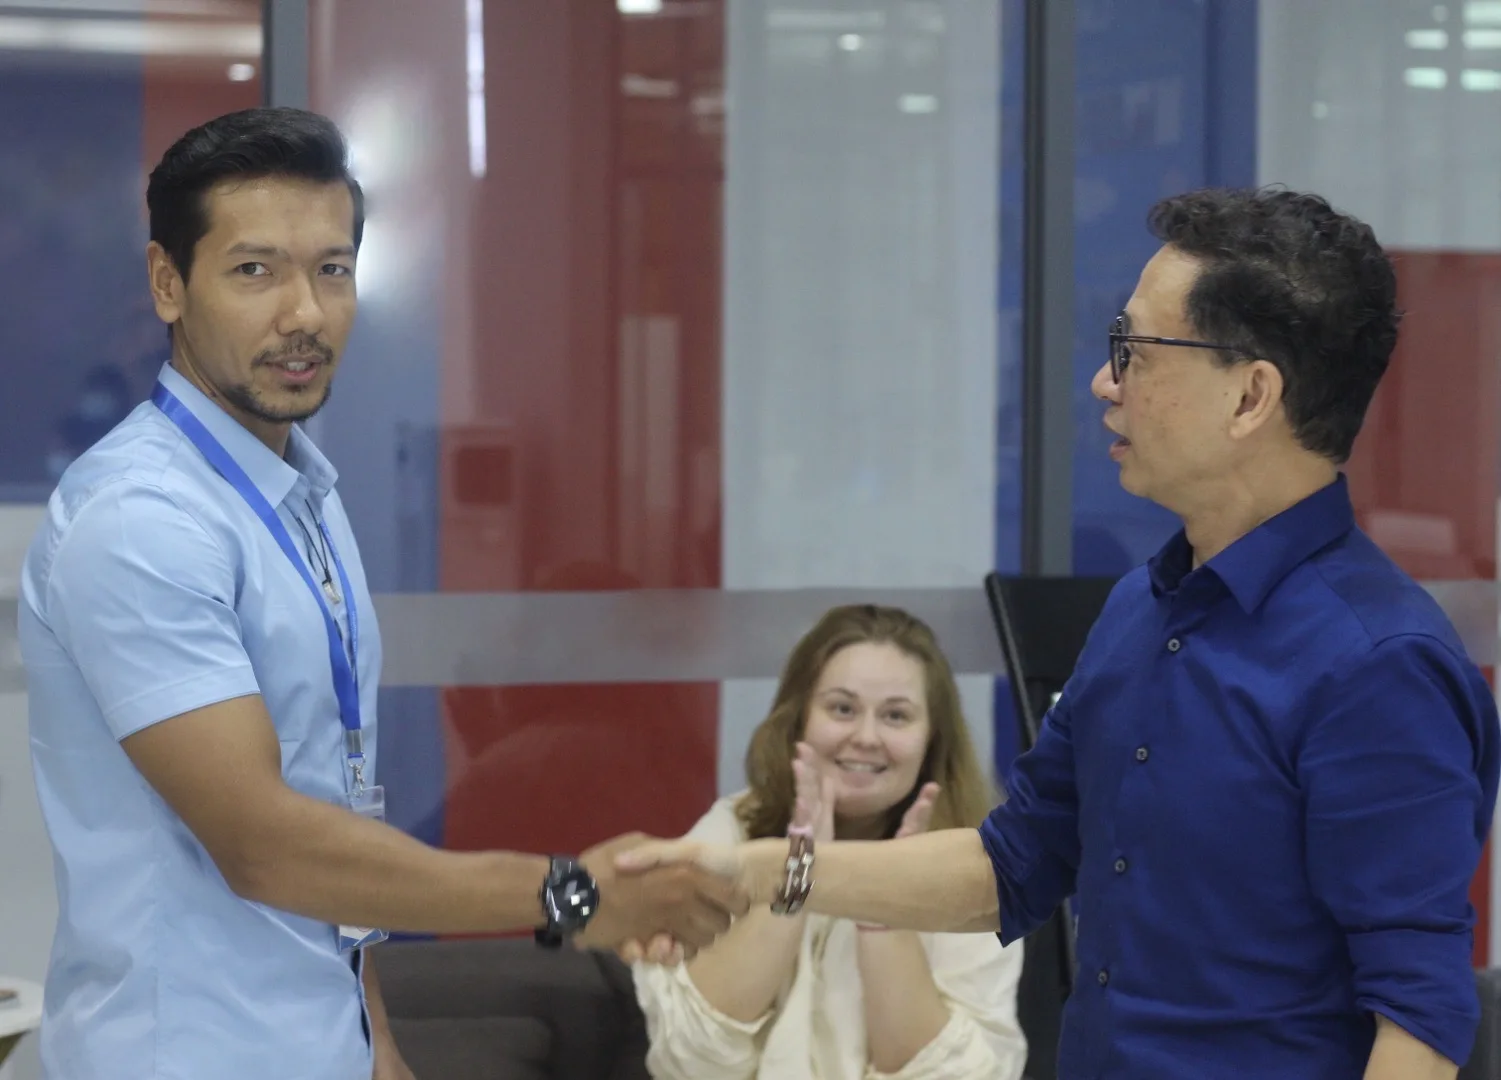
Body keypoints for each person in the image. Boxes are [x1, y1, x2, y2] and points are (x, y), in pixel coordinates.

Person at [617, 187, 1501, 1080]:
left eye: (1134, 352)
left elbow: (1417, 1024)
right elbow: (1011, 863)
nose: (1104, 384)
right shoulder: (1139, 609)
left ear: (1249, 396)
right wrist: (756, 872)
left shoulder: (1379, 666)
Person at [17, 106, 743, 1080]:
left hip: (317, 1046)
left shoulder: (302, 494)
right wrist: (572, 896)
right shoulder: (140, 519)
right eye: (254, 270)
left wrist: (373, 1039)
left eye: (332, 269)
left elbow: (330, 803)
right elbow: (264, 844)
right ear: (167, 283)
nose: (305, 314)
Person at [633, 605, 1027, 1080]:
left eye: (896, 716)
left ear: (931, 741)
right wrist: (798, 868)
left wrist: (887, 902)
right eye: (842, 709)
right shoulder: (731, 832)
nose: (866, 737)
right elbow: (689, 1061)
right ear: (799, 719)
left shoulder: (974, 869)